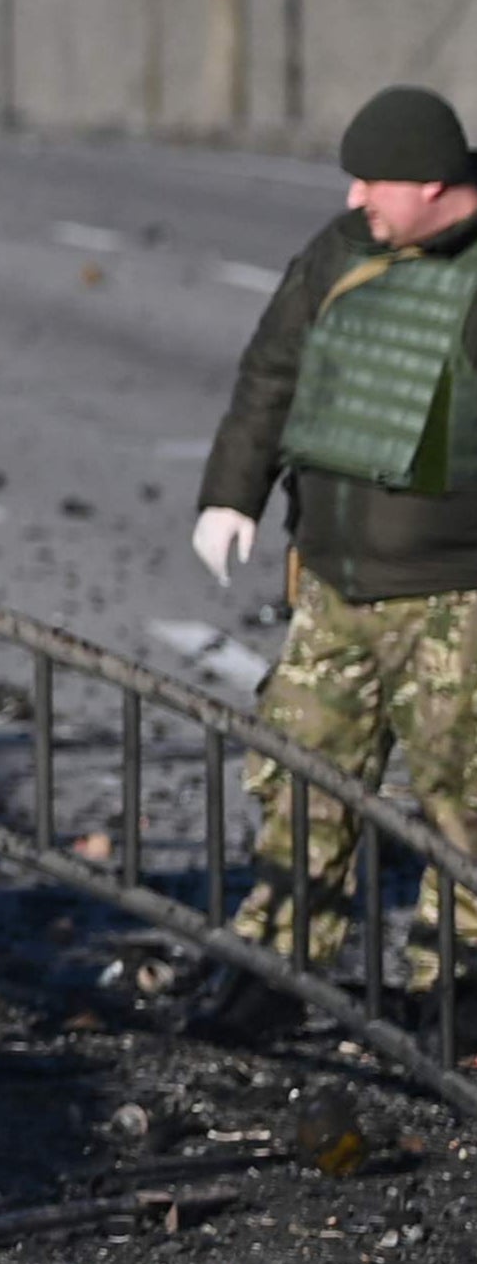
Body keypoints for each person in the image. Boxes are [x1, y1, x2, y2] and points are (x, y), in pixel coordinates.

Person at [193, 83, 477, 992]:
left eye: (373, 181)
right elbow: (270, 371)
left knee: (462, 806)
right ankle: (277, 972)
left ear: (433, 185)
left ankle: (456, 990)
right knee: (297, 785)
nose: (353, 197)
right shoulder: (339, 252)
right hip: (331, 587)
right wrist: (229, 494)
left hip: (454, 597)